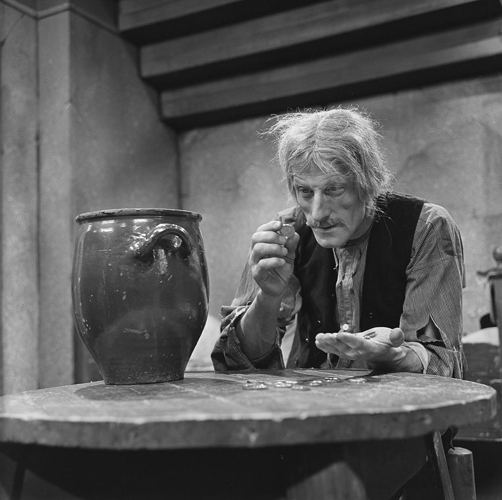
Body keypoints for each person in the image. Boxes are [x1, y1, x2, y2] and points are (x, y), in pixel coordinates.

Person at [211, 107, 465, 379]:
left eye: (334, 189)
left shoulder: (425, 228)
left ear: (368, 182)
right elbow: (237, 363)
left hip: (400, 404)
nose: (317, 213)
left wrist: (393, 356)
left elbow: (443, 362)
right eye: (305, 191)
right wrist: (268, 297)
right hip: (311, 399)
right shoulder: (286, 233)